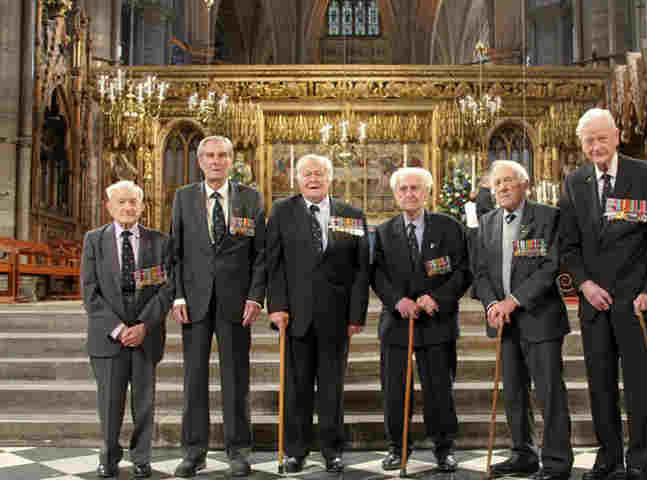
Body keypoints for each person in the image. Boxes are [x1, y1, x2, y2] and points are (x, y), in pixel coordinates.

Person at [559, 108, 647, 480]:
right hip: (596, 305)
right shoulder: (574, 182)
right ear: (582, 144)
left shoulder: (645, 175)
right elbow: (568, 246)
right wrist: (585, 285)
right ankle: (608, 457)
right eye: (589, 140)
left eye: (601, 138)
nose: (596, 146)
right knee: (601, 386)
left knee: (641, 387)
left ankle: (640, 463)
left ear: (617, 136)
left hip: (639, 302)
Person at [267, 153, 370, 474]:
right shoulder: (282, 212)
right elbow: (274, 263)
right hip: (295, 316)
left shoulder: (351, 215)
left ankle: (332, 449)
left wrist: (356, 315)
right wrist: (277, 306)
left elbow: (360, 269)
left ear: (330, 178)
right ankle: (296, 450)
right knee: (296, 388)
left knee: (331, 387)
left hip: (335, 317)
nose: (313, 179)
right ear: (296, 179)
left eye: (319, 174)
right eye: (307, 174)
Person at [170, 136, 266, 477]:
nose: (215, 161)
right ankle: (193, 452)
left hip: (236, 303)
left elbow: (261, 255)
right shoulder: (183, 198)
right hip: (194, 302)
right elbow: (175, 253)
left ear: (231, 161)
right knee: (194, 379)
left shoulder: (251, 198)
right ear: (200, 161)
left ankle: (238, 450)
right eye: (209, 156)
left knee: (236, 379)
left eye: (222, 155)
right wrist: (177, 295)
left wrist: (255, 296)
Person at [474, 161, 573, 480]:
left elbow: (551, 266)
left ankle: (557, 461)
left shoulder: (548, 217)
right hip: (503, 322)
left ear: (525, 184)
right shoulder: (487, 222)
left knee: (549, 393)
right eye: (496, 184)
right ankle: (523, 454)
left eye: (508, 181)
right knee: (514, 393)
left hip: (539, 319)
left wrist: (512, 301)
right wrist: (492, 303)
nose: (501, 188)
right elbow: (481, 272)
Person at [371, 167, 471, 472]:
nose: (409, 194)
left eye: (415, 188)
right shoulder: (384, 231)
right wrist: (396, 300)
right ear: (395, 194)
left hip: (436, 322)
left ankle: (444, 448)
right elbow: (376, 273)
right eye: (403, 189)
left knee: (439, 389)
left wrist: (437, 298)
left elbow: (463, 270)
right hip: (397, 323)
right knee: (395, 390)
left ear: (427, 192)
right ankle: (397, 446)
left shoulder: (449, 227)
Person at [81, 180, 174, 478]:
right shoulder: (94, 240)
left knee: (144, 402)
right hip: (109, 338)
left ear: (142, 206)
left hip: (146, 336)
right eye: (121, 202)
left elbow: (167, 288)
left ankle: (142, 457)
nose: (127, 207)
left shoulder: (160, 241)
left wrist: (144, 325)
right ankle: (108, 458)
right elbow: (89, 292)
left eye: (133, 201)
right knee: (109, 404)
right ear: (109, 206)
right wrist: (119, 328)